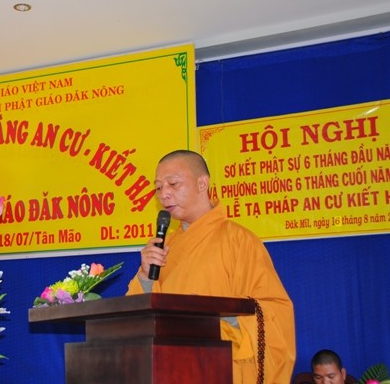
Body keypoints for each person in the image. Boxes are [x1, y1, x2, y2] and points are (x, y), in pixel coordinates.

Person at [126, 150, 296, 384]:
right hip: (172, 368)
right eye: (158, 187)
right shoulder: (164, 247)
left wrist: (213, 320)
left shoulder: (238, 240)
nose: (164, 194)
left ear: (202, 183)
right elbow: (140, 317)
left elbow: (274, 311)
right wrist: (146, 276)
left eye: (173, 184)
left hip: (221, 367)